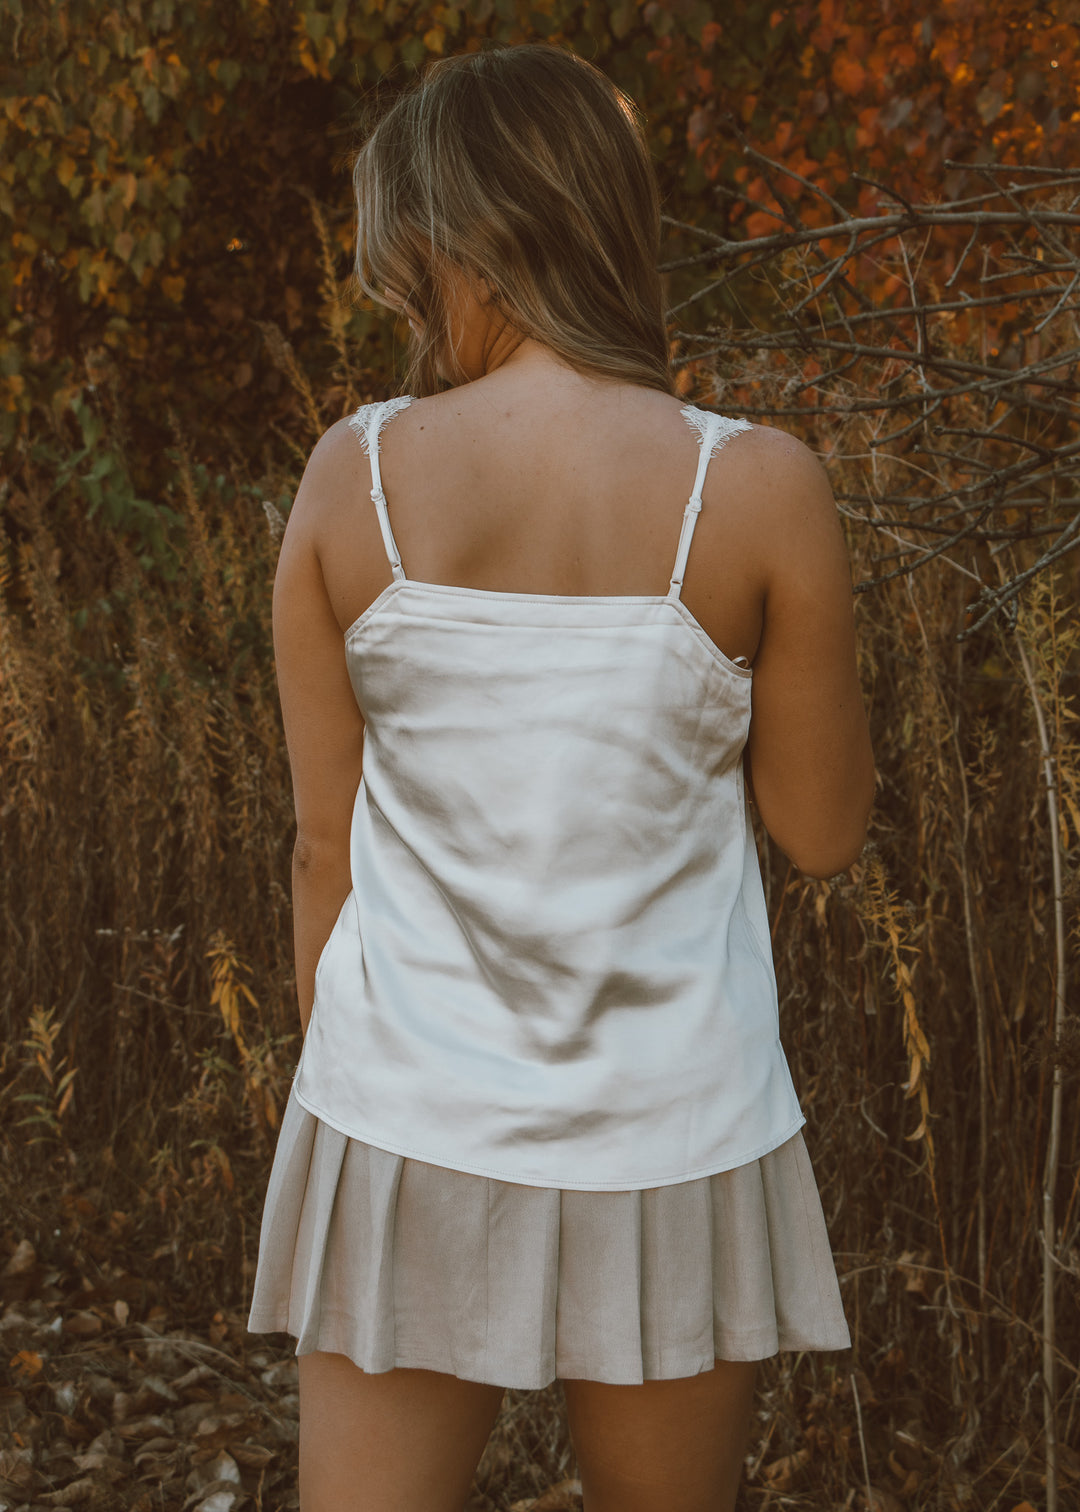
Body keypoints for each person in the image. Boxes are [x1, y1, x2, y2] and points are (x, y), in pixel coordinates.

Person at [246, 41, 875, 1512]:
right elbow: (824, 828)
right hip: (673, 1131)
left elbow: (319, 852)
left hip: (402, 1115)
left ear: (472, 237)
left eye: (407, 263)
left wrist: (349, 1081)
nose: (400, 298)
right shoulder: (760, 485)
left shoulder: (357, 477)